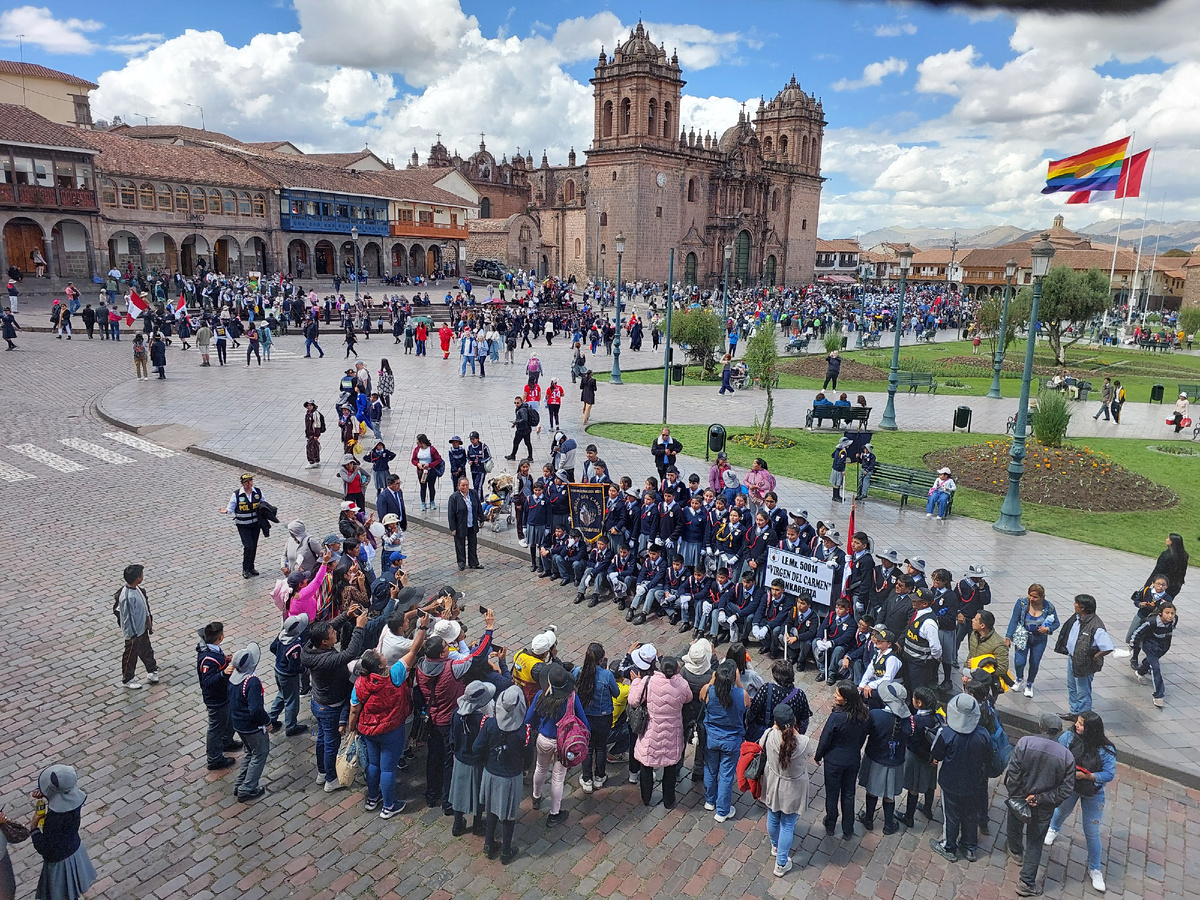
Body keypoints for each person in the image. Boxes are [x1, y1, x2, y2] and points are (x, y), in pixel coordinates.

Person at [347, 620, 428, 820]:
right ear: (381, 664)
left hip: (368, 729)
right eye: (381, 655)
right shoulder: (394, 674)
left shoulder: (360, 683)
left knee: (373, 764)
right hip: (391, 728)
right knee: (388, 767)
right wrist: (423, 628)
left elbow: (354, 709)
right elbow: (414, 650)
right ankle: (389, 805)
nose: (383, 654)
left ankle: (373, 798)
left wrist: (352, 728)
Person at [1004, 714, 1076, 897]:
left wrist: (1017, 793)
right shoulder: (1067, 757)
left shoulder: (1025, 742)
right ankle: (1026, 883)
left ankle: (1015, 850)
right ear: (1059, 732)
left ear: (1040, 726)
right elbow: (1065, 790)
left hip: (1020, 796)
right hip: (1044, 806)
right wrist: (1041, 798)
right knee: (1035, 842)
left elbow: (1013, 771)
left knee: (1014, 821)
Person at [1045, 712, 1118, 894]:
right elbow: (1058, 755)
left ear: (1091, 729)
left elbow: (1109, 774)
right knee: (1062, 811)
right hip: (1071, 787)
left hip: (1093, 793)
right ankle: (1054, 828)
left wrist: (1089, 776)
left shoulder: (1106, 750)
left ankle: (1095, 868)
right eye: (1077, 722)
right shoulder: (1069, 737)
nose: (1077, 726)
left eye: (1081, 724)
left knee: (1092, 831)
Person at [300, 605, 369, 792]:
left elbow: (327, 627)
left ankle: (322, 772)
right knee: (331, 743)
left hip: (317, 702)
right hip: (330, 706)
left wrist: (344, 616)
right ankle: (331, 779)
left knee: (322, 738)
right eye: (332, 633)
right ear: (324, 642)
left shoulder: (309, 648)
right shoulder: (328, 659)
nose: (335, 633)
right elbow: (350, 652)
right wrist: (359, 627)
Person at [929, 693, 992, 863]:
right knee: (970, 814)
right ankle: (969, 847)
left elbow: (937, 755)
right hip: (974, 783)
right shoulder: (983, 734)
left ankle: (949, 846)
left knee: (951, 815)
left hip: (950, 783)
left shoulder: (947, 734)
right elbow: (988, 758)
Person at [628, 647, 692, 809]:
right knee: (670, 767)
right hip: (673, 732)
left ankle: (646, 797)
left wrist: (635, 681)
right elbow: (688, 698)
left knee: (646, 766)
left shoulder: (648, 682)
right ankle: (669, 800)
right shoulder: (682, 685)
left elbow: (634, 700)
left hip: (651, 730)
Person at [525, 662, 588, 826]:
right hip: (563, 743)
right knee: (558, 778)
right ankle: (554, 813)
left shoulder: (541, 695)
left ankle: (536, 796)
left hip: (544, 739)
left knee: (540, 768)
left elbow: (529, 719)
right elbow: (583, 721)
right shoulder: (572, 698)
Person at [759, 703, 817, 877]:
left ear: (775, 722)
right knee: (788, 825)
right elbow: (808, 753)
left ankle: (775, 846)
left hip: (773, 783)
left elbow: (760, 746)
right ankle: (781, 863)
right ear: (794, 722)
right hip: (793, 788)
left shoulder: (769, 735)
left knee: (773, 816)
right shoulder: (804, 743)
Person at [472, 685, 528, 864]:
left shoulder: (489, 723)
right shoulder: (523, 731)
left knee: (491, 809)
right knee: (509, 814)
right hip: (512, 777)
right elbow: (529, 759)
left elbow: (476, 748)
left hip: (491, 773)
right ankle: (505, 851)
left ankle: (488, 844)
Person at [28, 765, 96, 900]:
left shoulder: (54, 820)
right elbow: (62, 797)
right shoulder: (75, 802)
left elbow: (45, 848)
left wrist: (34, 826)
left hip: (60, 862)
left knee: (60, 894)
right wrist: (47, 794)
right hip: (75, 849)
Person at [857, 681, 916, 835]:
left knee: (872, 790)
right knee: (889, 795)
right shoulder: (907, 721)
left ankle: (869, 819)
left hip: (875, 758)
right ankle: (888, 824)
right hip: (895, 761)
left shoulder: (876, 715)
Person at [814, 681, 871, 839]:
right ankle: (848, 828)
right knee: (848, 794)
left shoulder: (837, 717)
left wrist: (819, 755)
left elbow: (825, 738)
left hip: (834, 761)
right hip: (852, 759)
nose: (834, 696)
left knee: (832, 795)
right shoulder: (864, 715)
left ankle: (831, 824)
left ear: (846, 699)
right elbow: (862, 737)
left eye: (838, 694)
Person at [1053, 594, 1113, 717]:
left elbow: (1108, 647)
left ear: (1083, 608)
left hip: (1084, 664)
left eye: (1076, 603)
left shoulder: (1096, 625)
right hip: (1072, 659)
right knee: (1072, 688)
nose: (1074, 605)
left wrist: (1094, 657)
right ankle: (1074, 713)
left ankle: (1084, 718)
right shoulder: (1077, 618)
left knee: (1083, 692)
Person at [448, 679, 495, 836]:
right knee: (478, 794)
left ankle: (457, 824)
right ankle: (477, 824)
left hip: (460, 758)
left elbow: (453, 738)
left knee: (458, 792)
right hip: (477, 762)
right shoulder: (482, 721)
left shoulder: (456, 715)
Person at [574, 643, 620, 792]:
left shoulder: (578, 672)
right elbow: (616, 693)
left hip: (585, 716)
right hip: (603, 716)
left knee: (587, 747)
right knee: (601, 747)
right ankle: (600, 776)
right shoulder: (607, 675)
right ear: (601, 660)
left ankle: (587, 779)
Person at [228, 642, 271, 802]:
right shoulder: (251, 682)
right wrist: (267, 721)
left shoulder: (234, 678)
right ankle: (247, 788)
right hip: (252, 727)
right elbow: (256, 709)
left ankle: (240, 783)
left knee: (249, 752)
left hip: (238, 724)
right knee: (259, 754)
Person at [196, 621, 241, 771]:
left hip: (224, 694)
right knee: (216, 728)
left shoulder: (214, 650)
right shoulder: (208, 659)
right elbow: (208, 681)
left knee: (228, 720)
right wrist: (224, 672)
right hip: (216, 699)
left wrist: (225, 661)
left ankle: (227, 741)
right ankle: (214, 758)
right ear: (221, 637)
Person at [1005, 584, 1059, 700]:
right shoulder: (1022, 603)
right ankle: (1019, 678)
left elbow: (1056, 623)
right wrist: (1008, 637)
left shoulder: (1049, 607)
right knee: (1019, 661)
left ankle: (1030, 684)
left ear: (1042, 597)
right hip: (1023, 636)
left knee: (1034, 662)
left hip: (1039, 639)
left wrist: (1048, 629)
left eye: (1035, 597)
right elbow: (1014, 620)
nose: (1032, 599)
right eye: (1030, 595)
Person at [116, 563, 158, 690]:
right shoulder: (128, 597)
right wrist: (133, 634)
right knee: (131, 656)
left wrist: (148, 623)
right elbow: (128, 618)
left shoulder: (137, 589)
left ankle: (152, 670)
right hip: (134, 633)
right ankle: (128, 679)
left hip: (142, 628)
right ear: (138, 578)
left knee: (147, 651)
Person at [1131, 602, 1177, 709]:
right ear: (1160, 613)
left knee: (1150, 662)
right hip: (1150, 646)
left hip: (1163, 647)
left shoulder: (1174, 621)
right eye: (1167, 613)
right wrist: (1132, 644)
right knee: (1156, 668)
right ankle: (1158, 695)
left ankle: (1140, 671)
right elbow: (1137, 632)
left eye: (1172, 613)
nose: (1170, 616)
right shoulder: (1151, 622)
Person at [219, 473, 265, 578]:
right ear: (242, 483)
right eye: (246, 482)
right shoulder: (237, 495)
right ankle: (245, 569)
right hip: (243, 525)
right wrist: (225, 511)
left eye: (250, 481)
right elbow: (231, 508)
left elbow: (264, 504)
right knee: (248, 546)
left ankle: (251, 567)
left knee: (253, 546)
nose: (249, 484)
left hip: (255, 524)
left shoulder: (258, 492)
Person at [447, 477, 485, 571]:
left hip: (472, 523)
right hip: (460, 525)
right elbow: (451, 514)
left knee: (473, 544)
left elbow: (478, 507)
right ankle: (461, 563)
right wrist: (453, 528)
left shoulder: (473, 493)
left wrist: (481, 518)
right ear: (458, 486)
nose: (465, 487)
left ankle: (474, 562)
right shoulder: (454, 498)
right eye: (463, 485)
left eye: (466, 485)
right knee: (460, 545)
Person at [1145, 533, 1188, 598]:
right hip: (1176, 586)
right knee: (1166, 605)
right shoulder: (1184, 555)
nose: (1166, 539)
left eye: (1168, 538)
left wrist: (1147, 585)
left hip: (1163, 585)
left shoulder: (1166, 555)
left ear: (1171, 542)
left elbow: (1157, 571)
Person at [411, 433, 443, 511]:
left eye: (418, 441)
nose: (417, 443)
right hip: (421, 472)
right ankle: (423, 502)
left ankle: (432, 501)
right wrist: (418, 464)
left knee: (431, 487)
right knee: (423, 487)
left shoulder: (431, 449)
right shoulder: (417, 449)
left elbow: (438, 460)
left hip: (431, 471)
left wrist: (429, 465)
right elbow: (413, 460)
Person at [506, 396, 535, 462]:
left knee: (516, 442)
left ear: (521, 402)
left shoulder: (522, 410)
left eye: (518, 403)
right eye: (515, 403)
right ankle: (530, 457)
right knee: (527, 443)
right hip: (526, 429)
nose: (516, 404)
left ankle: (513, 455)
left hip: (522, 430)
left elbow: (524, 419)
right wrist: (515, 423)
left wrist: (516, 422)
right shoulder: (522, 408)